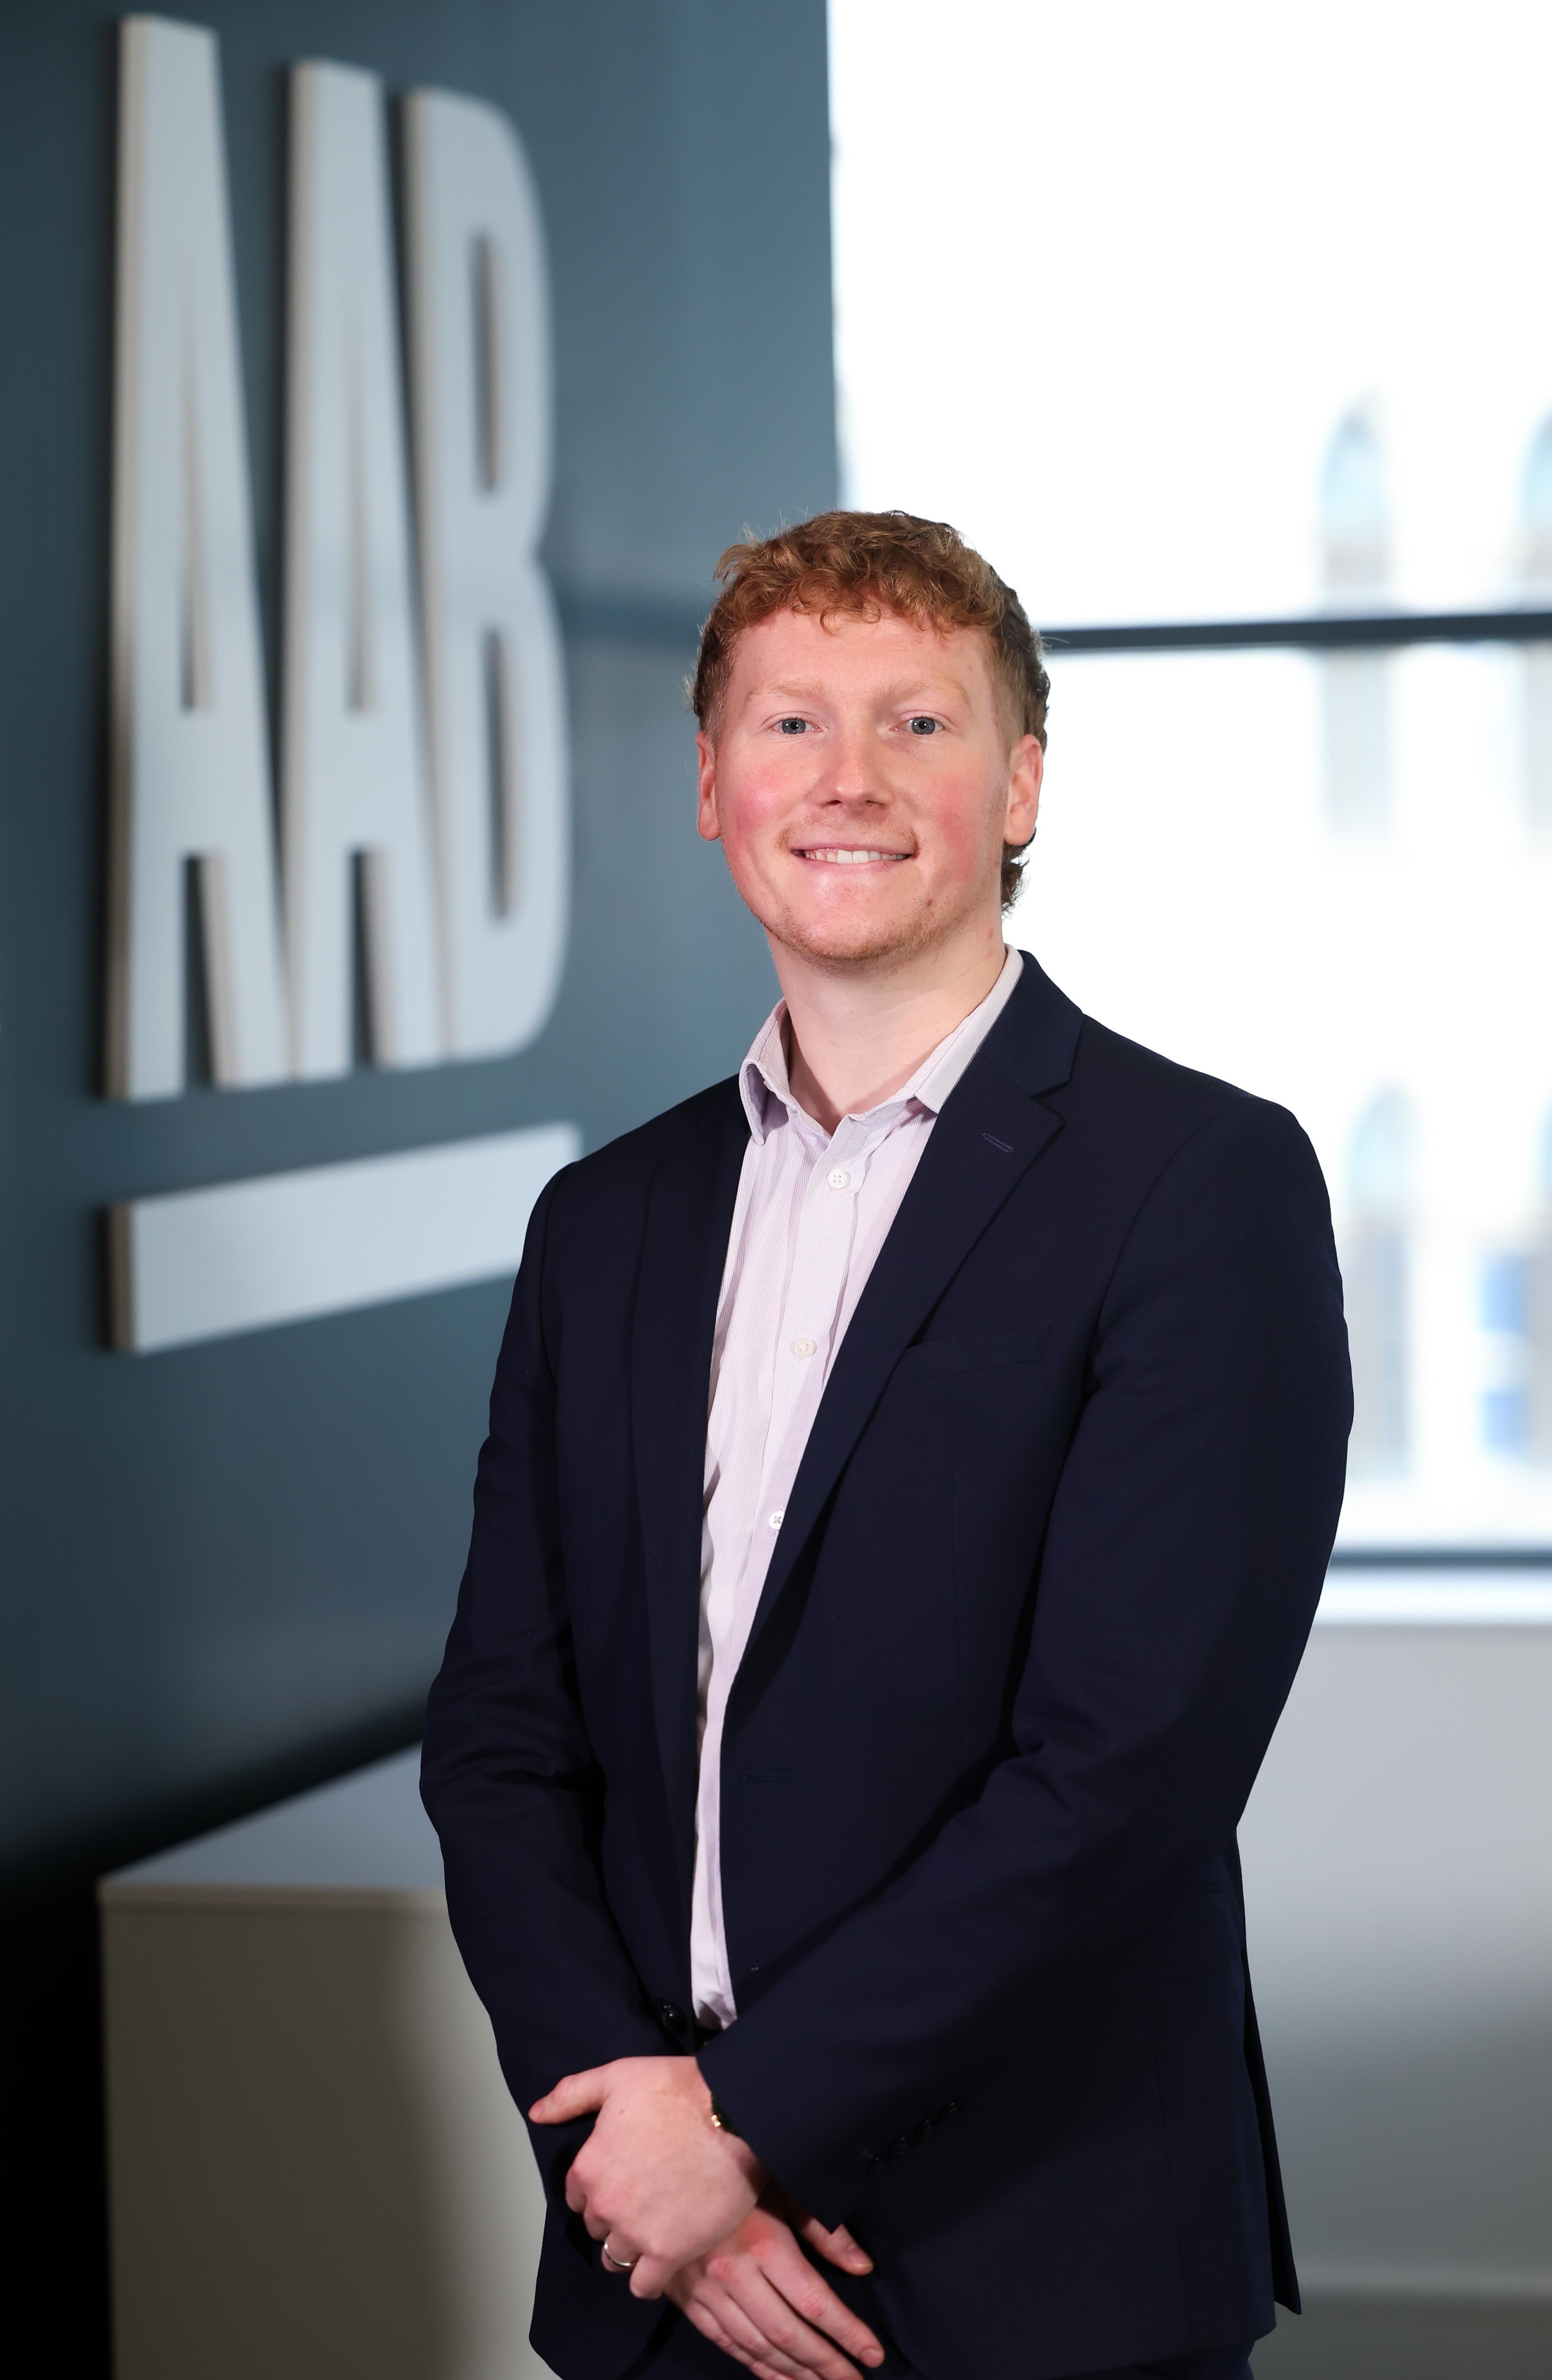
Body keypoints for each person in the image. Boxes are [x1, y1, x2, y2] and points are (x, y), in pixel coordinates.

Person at [421, 509, 1351, 2380]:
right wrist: (631, 2126)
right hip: (659, 2262)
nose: (847, 780)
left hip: (1033, 2261)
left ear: (1020, 784)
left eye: (917, 727)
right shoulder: (603, 1221)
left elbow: (1124, 1773)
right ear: (709, 782)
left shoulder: (1200, 1187)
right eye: (788, 726)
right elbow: (502, 1739)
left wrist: (741, 2122)